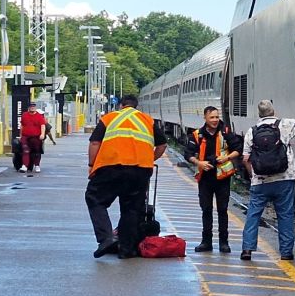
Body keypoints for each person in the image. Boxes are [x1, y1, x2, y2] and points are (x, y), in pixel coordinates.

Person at [240, 90, 295, 261]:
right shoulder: (284, 125)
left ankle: (247, 249)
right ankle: (286, 252)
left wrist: (253, 176)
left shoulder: (252, 131)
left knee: (253, 215)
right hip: (284, 179)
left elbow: (246, 159)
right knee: (285, 215)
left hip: (260, 181)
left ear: (259, 114)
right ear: (274, 112)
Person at [85, 94, 167, 259]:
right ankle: (127, 249)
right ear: (136, 106)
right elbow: (162, 145)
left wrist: (92, 165)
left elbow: (94, 143)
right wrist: (149, 159)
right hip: (139, 170)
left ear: (121, 105)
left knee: (95, 199)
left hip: (111, 167)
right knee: (132, 209)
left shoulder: (109, 118)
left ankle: (106, 238)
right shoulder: (147, 120)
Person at [185, 105, 242, 253]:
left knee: (222, 209)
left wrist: (227, 158)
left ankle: (224, 243)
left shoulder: (226, 132)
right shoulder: (197, 135)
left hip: (222, 177)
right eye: (212, 117)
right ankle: (206, 242)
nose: (215, 120)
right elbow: (188, 154)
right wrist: (199, 163)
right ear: (205, 118)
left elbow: (238, 149)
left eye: (217, 117)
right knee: (206, 209)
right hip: (205, 178)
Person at [20, 102, 47, 174]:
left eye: (33, 106)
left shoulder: (39, 116)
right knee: (25, 150)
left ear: (35, 108)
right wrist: (21, 135)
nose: (32, 108)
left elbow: (42, 125)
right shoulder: (24, 115)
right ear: (28, 107)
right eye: (31, 106)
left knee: (36, 152)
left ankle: (37, 165)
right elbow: (22, 125)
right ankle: (24, 166)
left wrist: (42, 134)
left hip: (36, 137)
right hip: (25, 136)